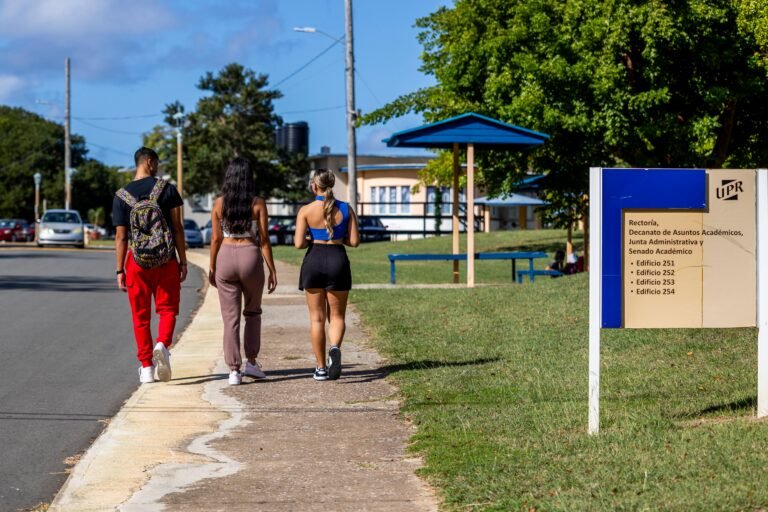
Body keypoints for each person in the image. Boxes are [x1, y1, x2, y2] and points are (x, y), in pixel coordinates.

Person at [113, 147, 187, 384]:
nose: (158, 167)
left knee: (140, 316)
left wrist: (120, 270)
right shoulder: (167, 189)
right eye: (156, 162)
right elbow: (177, 228)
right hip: (165, 260)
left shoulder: (121, 196)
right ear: (149, 161)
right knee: (167, 309)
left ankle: (146, 368)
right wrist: (182, 261)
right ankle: (163, 344)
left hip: (137, 263)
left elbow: (121, 237)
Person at [209, 158, 278, 386]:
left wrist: (212, 266)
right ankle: (252, 362)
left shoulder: (219, 204)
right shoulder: (258, 203)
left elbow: (216, 239)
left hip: (225, 256)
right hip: (250, 255)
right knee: (253, 312)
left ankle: (233, 371)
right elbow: (265, 240)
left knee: (230, 319)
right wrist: (272, 269)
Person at [294, 169, 359, 381]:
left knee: (316, 319)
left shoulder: (306, 210)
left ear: (314, 186)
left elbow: (298, 244)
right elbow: (355, 241)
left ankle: (321, 368)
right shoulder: (346, 209)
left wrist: (311, 237)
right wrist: (338, 238)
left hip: (314, 259)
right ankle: (334, 348)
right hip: (338, 260)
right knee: (337, 316)